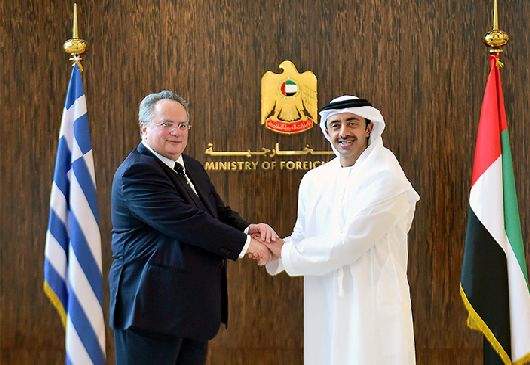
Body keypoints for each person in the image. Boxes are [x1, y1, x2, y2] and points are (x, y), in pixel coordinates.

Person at [108, 90, 276, 365]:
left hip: (191, 309)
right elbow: (189, 223)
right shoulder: (137, 172)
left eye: (183, 125)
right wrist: (247, 247)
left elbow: (217, 212)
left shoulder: (191, 166)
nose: (177, 132)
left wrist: (248, 230)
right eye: (167, 125)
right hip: (151, 308)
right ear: (144, 128)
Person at [265, 95, 420, 364]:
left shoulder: (386, 176)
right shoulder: (314, 179)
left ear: (369, 127)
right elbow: (303, 235)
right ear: (327, 132)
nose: (343, 132)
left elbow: (350, 243)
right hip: (324, 299)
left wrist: (284, 251)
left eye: (352, 123)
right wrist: (272, 245)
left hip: (371, 301)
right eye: (335, 125)